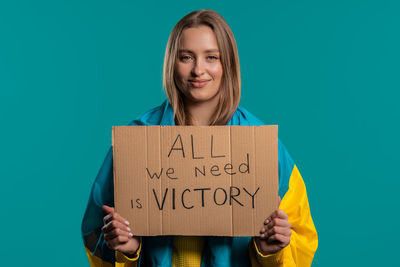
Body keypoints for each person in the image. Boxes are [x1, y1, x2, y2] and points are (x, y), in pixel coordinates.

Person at [81, 9, 318, 267]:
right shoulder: (136, 140)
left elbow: (302, 241)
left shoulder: (264, 148)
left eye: (211, 57)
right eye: (186, 57)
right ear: (172, 62)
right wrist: (127, 251)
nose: (198, 70)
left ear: (227, 64)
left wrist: (270, 252)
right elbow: (94, 235)